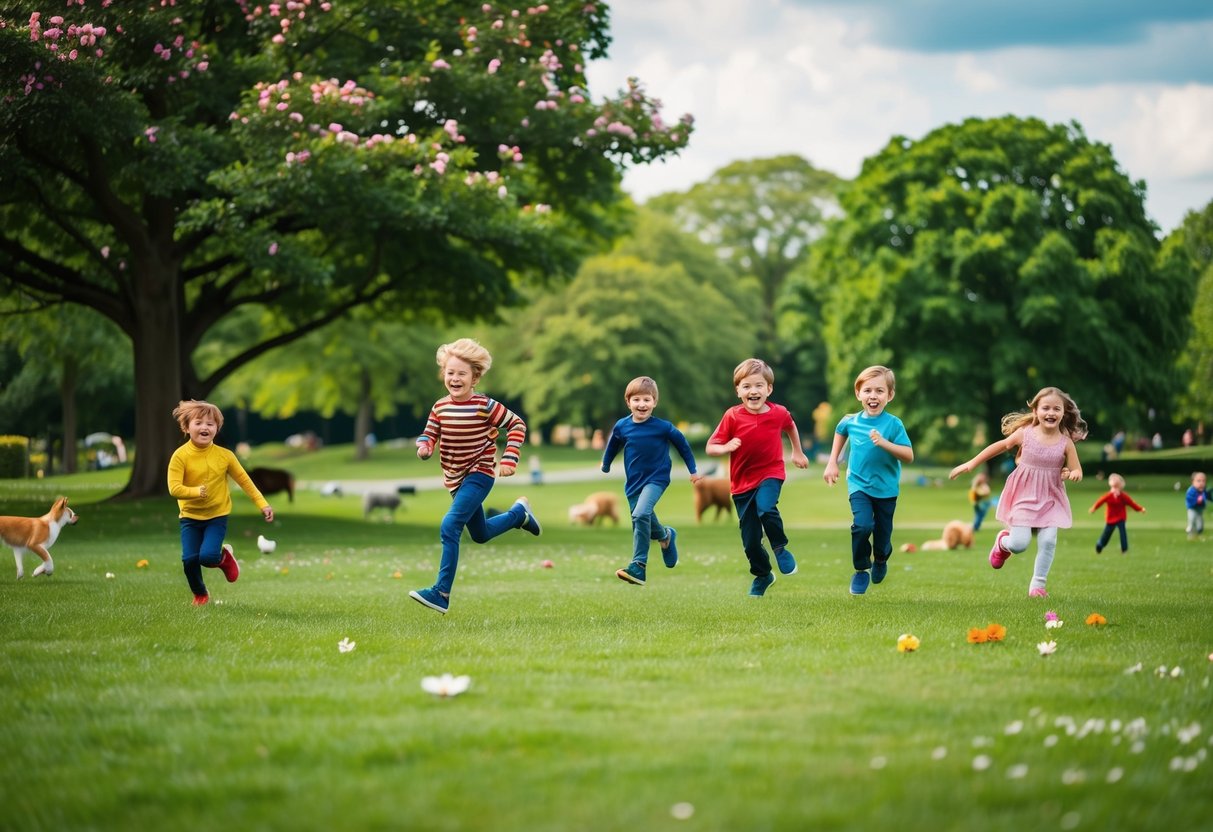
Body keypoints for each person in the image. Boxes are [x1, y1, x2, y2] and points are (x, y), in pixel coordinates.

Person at [409, 338, 541, 614]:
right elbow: (429, 432)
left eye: (461, 374)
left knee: (450, 526)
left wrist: (509, 457)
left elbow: (516, 424)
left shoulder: (485, 405)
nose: (455, 379)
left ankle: (440, 593)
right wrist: (425, 446)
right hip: (454, 479)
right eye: (450, 373)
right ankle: (519, 514)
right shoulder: (439, 407)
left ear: (475, 377)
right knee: (479, 535)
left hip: (479, 473)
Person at [949, 387, 1086, 598]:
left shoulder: (1066, 443)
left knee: (1048, 540)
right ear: (1036, 411)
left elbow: (1077, 469)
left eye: (1056, 409)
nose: (1051, 413)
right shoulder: (1026, 434)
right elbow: (1001, 445)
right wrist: (971, 463)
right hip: (1024, 495)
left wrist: (1074, 473)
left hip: (1051, 497)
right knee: (1019, 544)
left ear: (1064, 413)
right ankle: (1003, 542)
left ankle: (1037, 586)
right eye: (1045, 408)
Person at [706, 358, 809, 597]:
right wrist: (726, 447)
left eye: (759, 385)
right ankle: (763, 575)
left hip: (771, 473)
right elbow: (711, 446)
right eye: (747, 386)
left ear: (769, 389)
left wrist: (797, 451)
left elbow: (790, 425)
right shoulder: (732, 416)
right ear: (738, 390)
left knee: (767, 508)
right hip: (741, 485)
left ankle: (780, 547)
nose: (753, 391)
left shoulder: (778, 413)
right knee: (751, 542)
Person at [167, 400, 274, 606]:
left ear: (217, 428)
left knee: (207, 557)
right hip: (189, 517)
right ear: (186, 427)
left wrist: (262, 504)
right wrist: (196, 491)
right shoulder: (180, 456)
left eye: (210, 424)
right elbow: (174, 488)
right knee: (189, 560)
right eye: (198, 423)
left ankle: (223, 558)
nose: (205, 427)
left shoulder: (225, 456)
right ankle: (200, 594)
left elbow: (244, 480)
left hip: (217, 515)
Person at [602, 376, 703, 586]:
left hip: (657, 479)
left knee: (639, 515)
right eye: (636, 399)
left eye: (647, 399)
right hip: (633, 483)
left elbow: (683, 446)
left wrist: (693, 470)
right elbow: (613, 446)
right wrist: (606, 463)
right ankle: (665, 537)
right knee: (644, 518)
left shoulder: (663, 427)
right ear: (628, 401)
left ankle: (638, 566)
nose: (642, 404)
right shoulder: (622, 426)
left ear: (654, 402)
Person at [822, 366, 914, 595]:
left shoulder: (894, 424)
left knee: (882, 538)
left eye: (880, 391)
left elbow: (909, 455)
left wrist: (884, 443)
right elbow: (840, 430)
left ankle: (881, 559)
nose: (873, 396)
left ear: (889, 395)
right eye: (868, 390)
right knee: (862, 526)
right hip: (858, 484)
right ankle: (861, 569)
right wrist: (833, 462)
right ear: (858, 394)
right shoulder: (851, 421)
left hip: (886, 489)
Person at [1089, 473, 1144, 555]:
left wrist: (1140, 509)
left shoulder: (1123, 496)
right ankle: (1099, 545)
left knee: (1123, 533)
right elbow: (1100, 502)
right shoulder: (1109, 495)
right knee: (1106, 534)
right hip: (1110, 518)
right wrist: (1094, 508)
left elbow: (1131, 503)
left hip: (1121, 517)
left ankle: (1124, 550)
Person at [1186, 471, 1210, 541]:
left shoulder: (1204, 490)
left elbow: (1207, 497)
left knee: (1200, 521)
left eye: (1203, 481)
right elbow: (1189, 499)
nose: (1201, 483)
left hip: (1200, 509)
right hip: (1192, 509)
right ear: (1193, 482)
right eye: (1198, 481)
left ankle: (1199, 532)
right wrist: (1197, 501)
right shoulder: (1191, 491)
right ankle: (1190, 532)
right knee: (1192, 519)